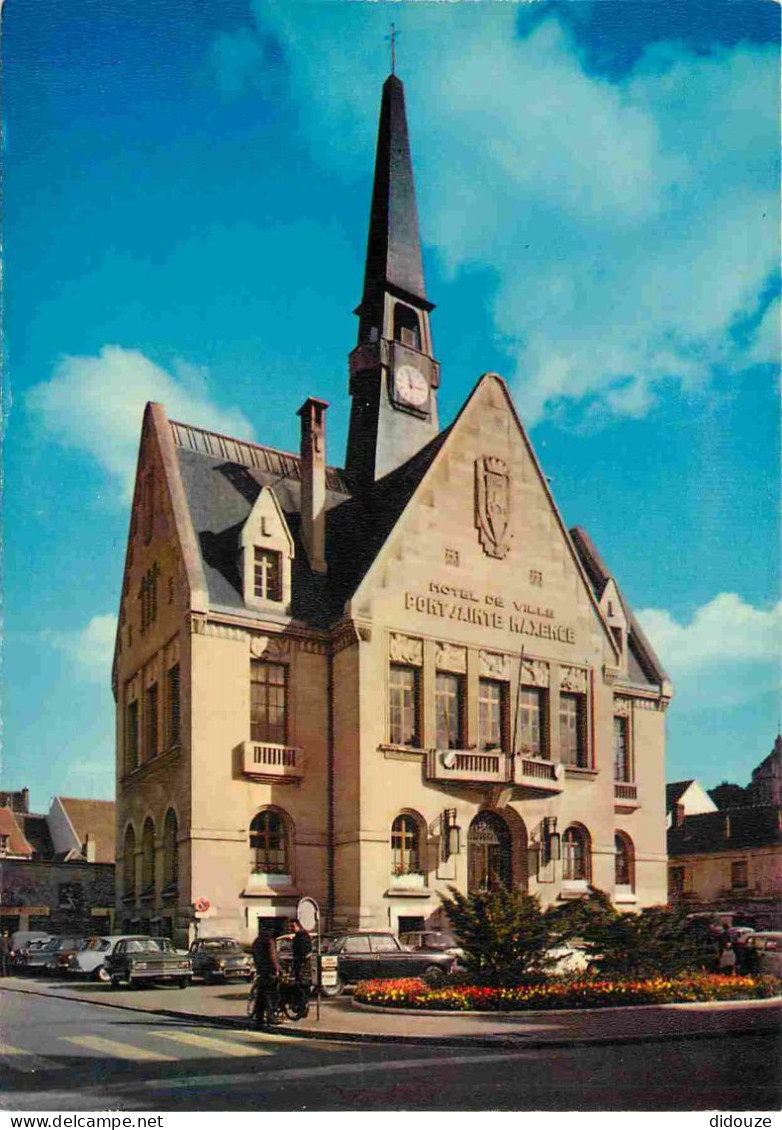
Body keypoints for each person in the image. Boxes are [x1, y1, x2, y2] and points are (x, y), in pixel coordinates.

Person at [251, 925, 281, 1027]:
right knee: (270, 994)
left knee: (261, 994)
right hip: (269, 971)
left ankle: (258, 1017)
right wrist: (277, 969)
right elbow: (273, 956)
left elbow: (255, 956)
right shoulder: (269, 941)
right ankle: (270, 1017)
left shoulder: (256, 942)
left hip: (261, 970)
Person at [291, 918, 312, 987]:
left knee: (302, 979)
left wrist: (304, 957)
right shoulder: (298, 936)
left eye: (293, 926)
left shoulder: (302, 936)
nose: (292, 928)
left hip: (302, 961)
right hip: (298, 960)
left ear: (298, 926)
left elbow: (305, 949)